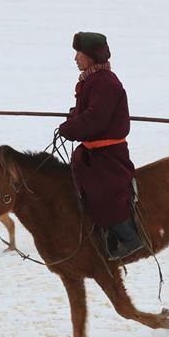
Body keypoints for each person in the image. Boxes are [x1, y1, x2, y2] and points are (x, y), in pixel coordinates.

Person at [58, 32, 143, 260]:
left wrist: (71, 128)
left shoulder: (105, 82)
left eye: (79, 53)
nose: (75, 58)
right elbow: (86, 112)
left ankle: (128, 238)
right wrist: (73, 119)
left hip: (108, 154)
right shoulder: (91, 80)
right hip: (92, 151)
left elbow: (96, 119)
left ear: (91, 56)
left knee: (103, 191)